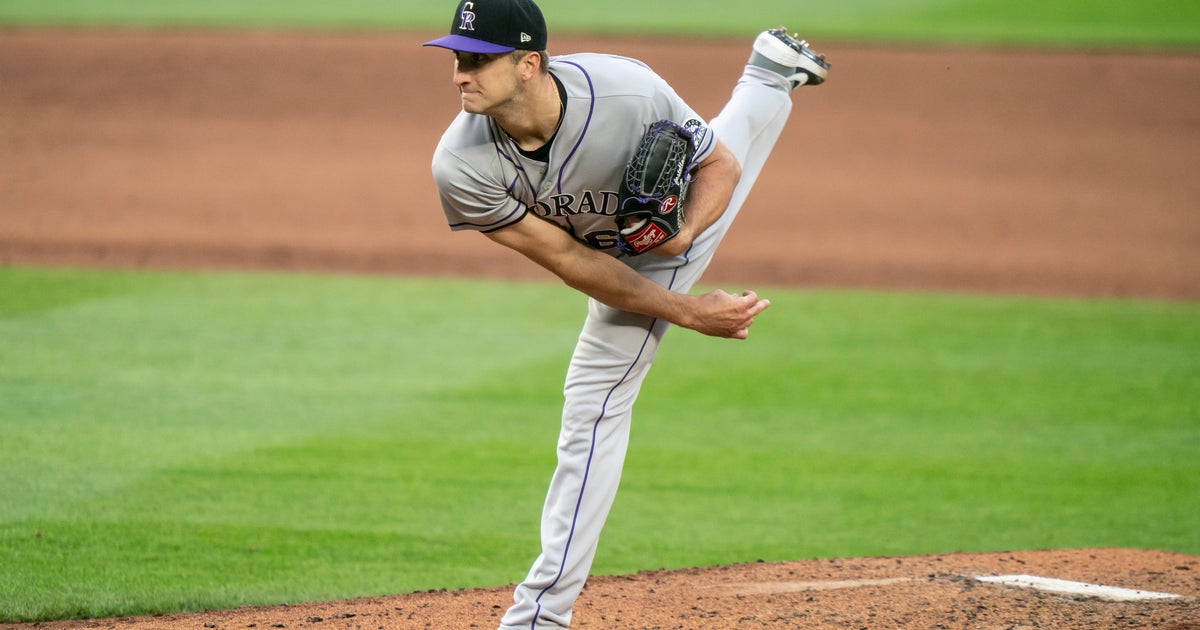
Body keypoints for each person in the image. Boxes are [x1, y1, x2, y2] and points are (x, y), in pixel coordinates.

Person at [423, 1, 829, 627]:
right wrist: (689, 312)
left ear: (529, 63)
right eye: (457, 58)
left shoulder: (626, 92)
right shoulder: (460, 165)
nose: (459, 74)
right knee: (724, 139)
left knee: (594, 400)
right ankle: (769, 75)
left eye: (478, 60)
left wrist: (683, 233)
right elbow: (570, 259)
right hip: (606, 257)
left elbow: (718, 164)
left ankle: (539, 616)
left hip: (667, 234)